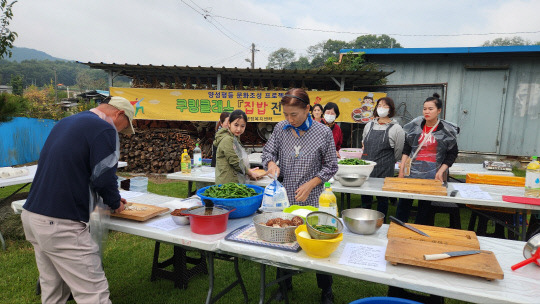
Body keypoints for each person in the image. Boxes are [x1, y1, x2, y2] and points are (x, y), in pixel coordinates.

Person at [21, 96, 134, 304]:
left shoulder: (68, 121)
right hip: (60, 223)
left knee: (53, 289)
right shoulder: (104, 128)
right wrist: (115, 202)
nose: (119, 132)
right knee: (94, 294)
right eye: (123, 127)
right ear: (119, 114)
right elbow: (103, 176)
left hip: (33, 215)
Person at [261, 88, 338, 304]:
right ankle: (283, 285)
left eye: (293, 114)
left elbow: (332, 166)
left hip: (312, 198)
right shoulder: (281, 129)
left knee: (317, 241)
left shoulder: (323, 132)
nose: (289, 119)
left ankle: (326, 289)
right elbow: (268, 152)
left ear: (307, 109)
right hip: (285, 199)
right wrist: (271, 163)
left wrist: (312, 183)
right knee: (283, 239)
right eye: (285, 114)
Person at [395, 93, 459, 224]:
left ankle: (420, 232)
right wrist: (401, 170)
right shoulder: (415, 127)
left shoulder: (446, 131)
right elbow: (407, 148)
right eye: (424, 109)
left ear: (439, 110)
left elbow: (452, 153)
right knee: (404, 203)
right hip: (412, 170)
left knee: (425, 207)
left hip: (432, 172)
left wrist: (441, 171)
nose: (427, 112)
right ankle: (398, 229)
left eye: (431, 109)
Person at [361, 97, 405, 219]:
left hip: (384, 169)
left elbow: (398, 151)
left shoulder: (396, 129)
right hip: (367, 169)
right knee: (365, 198)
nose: (382, 108)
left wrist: (388, 161)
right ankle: (364, 220)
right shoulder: (369, 125)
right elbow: (364, 143)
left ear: (391, 109)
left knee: (382, 200)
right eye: (379, 105)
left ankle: (380, 223)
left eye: (385, 106)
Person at [214, 109, 260, 184]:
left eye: (242, 126)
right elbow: (235, 161)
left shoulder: (235, 138)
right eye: (236, 125)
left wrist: (247, 170)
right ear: (229, 124)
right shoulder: (227, 140)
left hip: (233, 181)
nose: (239, 129)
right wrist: (249, 172)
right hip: (226, 185)